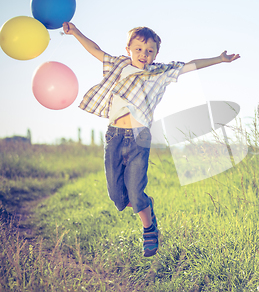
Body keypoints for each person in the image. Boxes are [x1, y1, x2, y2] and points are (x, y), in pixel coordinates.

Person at [63, 22, 240, 257]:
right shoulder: (119, 66)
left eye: (149, 51)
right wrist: (75, 32)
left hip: (139, 138)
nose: (143, 55)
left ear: (156, 53)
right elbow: (96, 50)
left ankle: (149, 229)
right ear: (128, 49)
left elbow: (190, 66)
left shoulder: (160, 72)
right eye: (138, 49)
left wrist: (219, 59)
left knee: (136, 193)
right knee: (116, 196)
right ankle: (144, 205)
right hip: (114, 136)